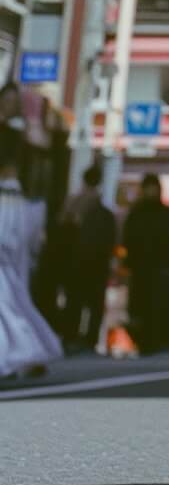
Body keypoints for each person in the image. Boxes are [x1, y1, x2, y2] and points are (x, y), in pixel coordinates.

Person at [0, 125, 62, 381]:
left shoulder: (8, 190)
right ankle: (23, 353)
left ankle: (18, 354)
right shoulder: (17, 192)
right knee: (11, 304)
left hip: (5, 250)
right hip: (9, 253)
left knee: (7, 306)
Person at [58, 161, 117, 353]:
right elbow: (110, 239)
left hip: (76, 261)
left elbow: (63, 232)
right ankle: (89, 340)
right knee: (93, 303)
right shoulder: (103, 210)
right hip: (97, 263)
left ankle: (70, 336)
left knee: (74, 301)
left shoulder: (73, 203)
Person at [122, 172, 169, 355]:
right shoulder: (139, 213)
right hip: (142, 266)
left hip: (156, 266)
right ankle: (145, 340)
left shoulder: (159, 214)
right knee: (141, 304)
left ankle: (152, 340)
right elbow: (129, 239)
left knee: (154, 304)